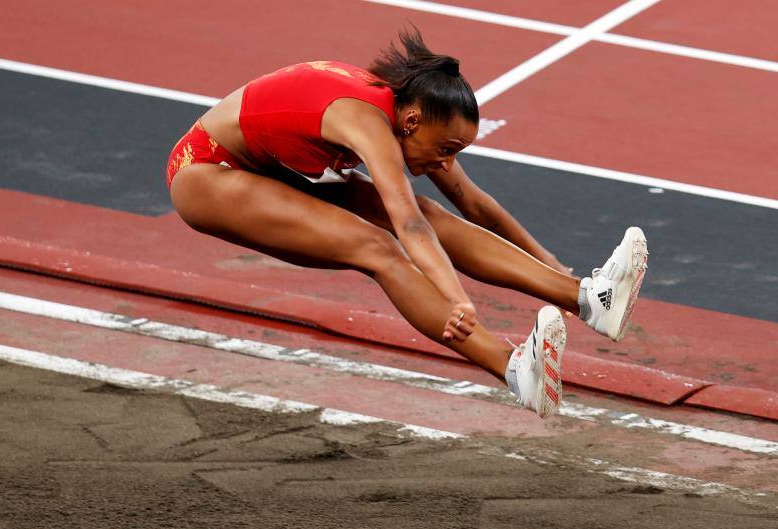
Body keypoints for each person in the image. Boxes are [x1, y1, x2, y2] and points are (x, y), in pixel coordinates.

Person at [165, 28, 648, 418]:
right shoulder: (366, 121)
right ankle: (515, 371)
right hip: (209, 174)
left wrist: (558, 272)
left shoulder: (413, 118)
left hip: (275, 167)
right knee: (379, 247)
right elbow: (409, 226)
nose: (446, 164)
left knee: (435, 213)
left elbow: (473, 204)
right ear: (413, 122)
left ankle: (592, 300)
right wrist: (456, 297)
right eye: (446, 150)